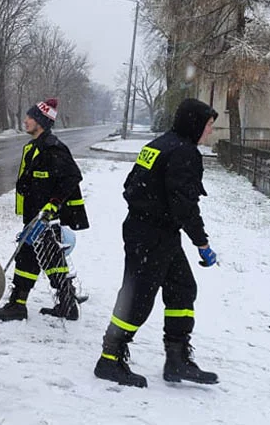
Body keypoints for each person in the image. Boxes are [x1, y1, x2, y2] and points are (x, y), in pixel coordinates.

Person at [93, 98, 220, 388]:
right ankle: (109, 359)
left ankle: (176, 359)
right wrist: (201, 243)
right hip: (152, 233)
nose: (210, 131)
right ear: (195, 124)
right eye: (209, 125)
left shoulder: (159, 144)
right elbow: (184, 205)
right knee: (137, 296)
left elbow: (130, 186)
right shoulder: (184, 152)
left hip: (151, 230)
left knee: (182, 288)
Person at [0, 98, 89, 322]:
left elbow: (72, 176)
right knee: (47, 259)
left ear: (41, 122)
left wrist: (53, 204)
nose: (25, 121)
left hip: (45, 218)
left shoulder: (53, 148)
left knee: (29, 257)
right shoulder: (34, 147)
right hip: (35, 217)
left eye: (30, 118)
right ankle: (66, 303)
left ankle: (18, 304)